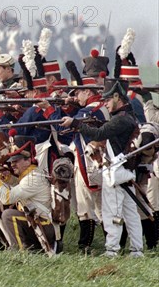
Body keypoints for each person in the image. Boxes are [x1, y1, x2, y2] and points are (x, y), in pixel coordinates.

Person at [61, 78, 143, 257]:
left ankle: (112, 250)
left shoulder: (121, 119)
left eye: (107, 99)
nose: (105, 103)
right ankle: (137, 250)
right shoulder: (126, 117)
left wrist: (75, 124)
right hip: (124, 172)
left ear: (117, 97)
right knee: (131, 215)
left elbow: (98, 134)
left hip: (116, 172)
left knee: (111, 213)